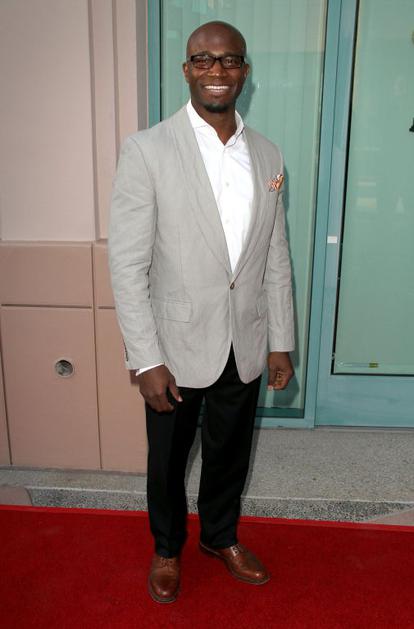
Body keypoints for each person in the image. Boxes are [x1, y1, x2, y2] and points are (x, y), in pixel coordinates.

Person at [108, 21, 295, 603]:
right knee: (167, 461)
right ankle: (167, 548)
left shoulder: (267, 153)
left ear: (245, 72)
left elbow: (275, 253)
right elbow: (128, 265)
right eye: (204, 60)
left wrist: (281, 339)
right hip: (174, 344)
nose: (218, 70)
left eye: (230, 60)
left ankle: (220, 536)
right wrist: (145, 358)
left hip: (245, 338)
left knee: (231, 454)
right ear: (187, 69)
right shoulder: (147, 149)